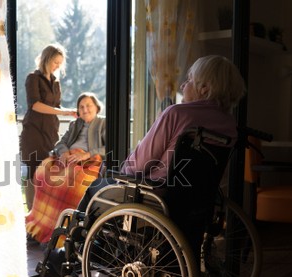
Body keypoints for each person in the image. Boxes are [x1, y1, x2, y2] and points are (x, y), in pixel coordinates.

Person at [76, 54, 246, 265]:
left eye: (189, 80)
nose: (183, 85)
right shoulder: (229, 125)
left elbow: (139, 164)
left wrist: (119, 175)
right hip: (198, 199)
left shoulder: (176, 113)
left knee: (98, 187)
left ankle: (79, 249)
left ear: (204, 88)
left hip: (157, 195)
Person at [26, 92, 105, 245]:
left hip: (89, 161)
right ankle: (40, 225)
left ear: (96, 107)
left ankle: (62, 232)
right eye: (81, 107)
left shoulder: (104, 123)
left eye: (88, 105)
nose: (85, 109)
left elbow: (108, 147)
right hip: (69, 158)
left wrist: (86, 155)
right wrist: (65, 152)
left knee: (71, 180)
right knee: (44, 171)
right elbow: (60, 143)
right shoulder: (75, 124)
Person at [20, 44, 77, 211]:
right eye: (55, 62)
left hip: (50, 134)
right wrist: (65, 112)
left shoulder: (56, 83)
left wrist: (69, 112)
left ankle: (43, 215)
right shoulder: (33, 78)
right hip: (33, 134)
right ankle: (31, 215)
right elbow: (36, 105)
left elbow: (55, 108)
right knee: (33, 173)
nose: (58, 66)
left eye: (60, 63)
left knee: (47, 174)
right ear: (46, 59)